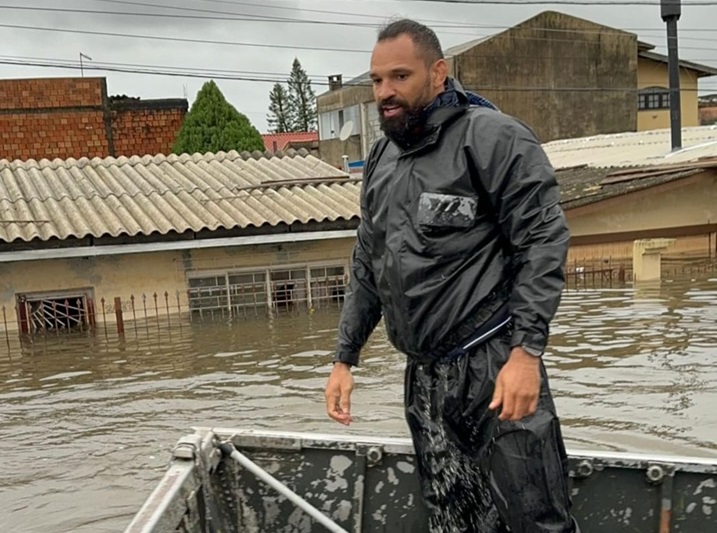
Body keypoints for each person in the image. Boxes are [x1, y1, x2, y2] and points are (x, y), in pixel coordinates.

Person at [323, 18, 579, 533]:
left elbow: (542, 243)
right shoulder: (381, 159)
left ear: (438, 72)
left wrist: (527, 353)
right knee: (451, 519)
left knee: (536, 520)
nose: (385, 92)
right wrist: (343, 358)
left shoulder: (493, 138)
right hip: (424, 377)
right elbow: (368, 263)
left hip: (493, 364)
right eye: (376, 81)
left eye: (400, 76)